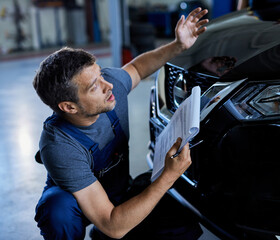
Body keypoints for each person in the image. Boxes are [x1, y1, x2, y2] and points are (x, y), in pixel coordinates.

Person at [33, 7, 208, 240]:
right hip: (81, 203)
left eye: (101, 75)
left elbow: (136, 67)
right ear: (69, 107)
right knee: (57, 209)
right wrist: (168, 176)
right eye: (94, 86)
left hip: (118, 192)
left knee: (179, 219)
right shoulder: (59, 146)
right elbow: (111, 223)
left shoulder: (109, 88)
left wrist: (178, 45)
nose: (109, 86)